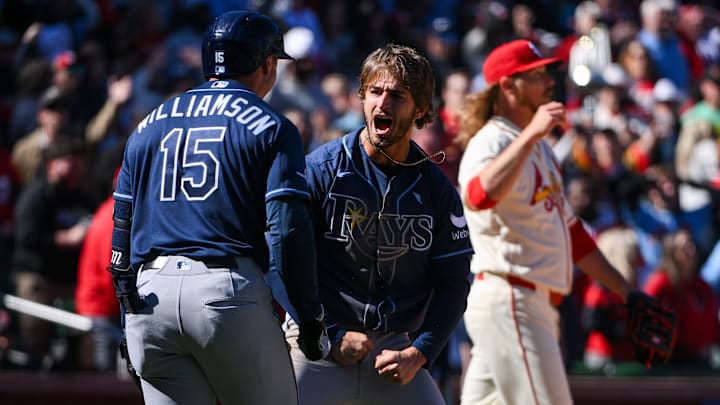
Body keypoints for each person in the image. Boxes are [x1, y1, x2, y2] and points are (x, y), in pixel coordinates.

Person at [109, 10, 327, 405]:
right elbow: (287, 228)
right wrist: (309, 316)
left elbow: (121, 220)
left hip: (149, 297)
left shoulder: (149, 123)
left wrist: (127, 304)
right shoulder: (273, 126)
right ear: (266, 63)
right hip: (224, 292)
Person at [286, 43, 473, 405]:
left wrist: (419, 354)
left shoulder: (436, 189)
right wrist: (329, 332)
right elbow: (284, 262)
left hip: (393, 347)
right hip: (317, 338)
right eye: (375, 91)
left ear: (420, 109)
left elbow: (454, 283)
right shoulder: (322, 170)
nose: (382, 103)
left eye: (397, 95)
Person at [456, 39, 635, 405]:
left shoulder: (540, 149)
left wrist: (627, 293)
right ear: (507, 86)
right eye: (535, 75)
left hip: (529, 302)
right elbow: (477, 196)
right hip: (511, 295)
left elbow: (574, 236)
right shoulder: (490, 141)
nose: (548, 82)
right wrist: (533, 133)